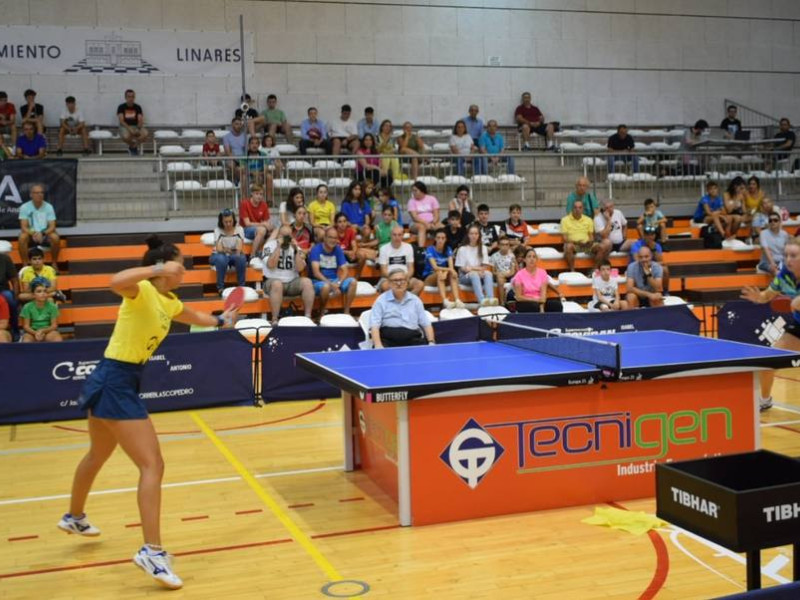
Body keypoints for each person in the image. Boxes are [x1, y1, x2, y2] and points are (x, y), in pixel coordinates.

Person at [60, 235, 238, 590]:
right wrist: (157, 268)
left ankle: (74, 516)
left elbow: (196, 316)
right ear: (165, 267)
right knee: (152, 465)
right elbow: (114, 282)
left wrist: (222, 320)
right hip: (115, 379)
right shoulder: (141, 290)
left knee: (98, 454)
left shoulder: (168, 301)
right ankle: (152, 552)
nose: (184, 271)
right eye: (180, 265)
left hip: (117, 378)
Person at [741, 237, 800, 410]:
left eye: (793, 255)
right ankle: (765, 400)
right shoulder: (784, 276)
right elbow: (767, 296)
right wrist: (758, 297)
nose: (788, 259)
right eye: (786, 255)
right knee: (770, 359)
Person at [262, 225, 315, 325]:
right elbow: (270, 265)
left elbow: (300, 268)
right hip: (272, 281)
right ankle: (274, 319)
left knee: (307, 282)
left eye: (288, 236)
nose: (286, 238)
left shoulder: (295, 247)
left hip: (291, 282)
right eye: (283, 235)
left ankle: (308, 317)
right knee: (277, 284)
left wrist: (295, 251)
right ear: (278, 235)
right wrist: (278, 247)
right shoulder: (269, 246)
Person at [370, 267, 434, 349]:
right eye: (395, 280)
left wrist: (431, 341)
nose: (399, 283)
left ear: (407, 282)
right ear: (389, 283)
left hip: (412, 339)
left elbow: (426, 324)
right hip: (388, 340)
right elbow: (375, 325)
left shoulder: (415, 300)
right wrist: (378, 345)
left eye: (402, 280)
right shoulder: (381, 300)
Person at [309, 227, 357, 316]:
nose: (333, 240)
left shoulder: (338, 249)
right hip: (318, 281)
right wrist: (331, 285)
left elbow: (345, 270)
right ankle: (321, 313)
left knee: (353, 282)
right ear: (325, 238)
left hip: (335, 280)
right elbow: (316, 273)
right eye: (330, 237)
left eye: (335, 238)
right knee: (326, 287)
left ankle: (346, 313)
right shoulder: (316, 249)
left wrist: (338, 283)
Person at [19, 184, 60, 266]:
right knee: (22, 237)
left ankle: (54, 263)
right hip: (31, 234)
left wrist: (42, 233)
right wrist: (34, 233)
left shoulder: (49, 207)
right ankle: (25, 265)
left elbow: (52, 226)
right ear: (31, 195)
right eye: (37, 193)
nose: (40, 194)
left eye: (41, 192)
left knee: (55, 237)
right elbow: (24, 227)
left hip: (45, 234)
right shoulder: (24, 207)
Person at [456, 223, 496, 306]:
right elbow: (463, 268)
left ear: (479, 235)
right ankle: (482, 300)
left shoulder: (483, 248)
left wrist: (473, 268)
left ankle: (490, 299)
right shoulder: (462, 249)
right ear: (468, 235)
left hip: (479, 273)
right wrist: (476, 270)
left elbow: (485, 266)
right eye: (471, 234)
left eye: (476, 234)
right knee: (474, 274)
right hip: (465, 276)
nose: (474, 236)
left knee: (488, 274)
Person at [511, 248, 562, 312]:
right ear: (524, 260)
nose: (532, 259)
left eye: (534, 257)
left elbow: (543, 297)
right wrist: (535, 300)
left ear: (536, 259)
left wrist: (541, 307)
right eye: (529, 256)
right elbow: (518, 297)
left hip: (539, 302)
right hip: (524, 302)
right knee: (534, 306)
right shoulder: (519, 275)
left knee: (557, 305)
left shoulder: (542, 273)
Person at [561, 198, 605, 272]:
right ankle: (572, 271)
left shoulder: (588, 220)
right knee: (568, 247)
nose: (577, 209)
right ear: (572, 209)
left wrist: (590, 242)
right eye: (575, 207)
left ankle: (594, 270)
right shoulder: (565, 220)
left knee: (601, 247)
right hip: (574, 245)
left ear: (583, 209)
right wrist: (576, 242)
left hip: (586, 245)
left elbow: (591, 236)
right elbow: (565, 238)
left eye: (580, 207)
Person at [209, 209, 247, 295]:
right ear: (221, 222)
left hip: (232, 255)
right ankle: (220, 288)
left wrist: (227, 249)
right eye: (226, 222)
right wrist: (230, 250)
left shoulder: (239, 229)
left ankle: (241, 286)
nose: (228, 224)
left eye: (230, 221)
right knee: (222, 259)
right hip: (217, 255)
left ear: (233, 220)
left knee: (241, 258)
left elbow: (239, 249)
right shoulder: (217, 230)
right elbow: (219, 249)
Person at [378, 225, 423, 294]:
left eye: (399, 235)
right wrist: (395, 279)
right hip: (389, 278)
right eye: (394, 235)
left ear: (402, 236)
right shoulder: (383, 248)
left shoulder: (408, 247)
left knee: (420, 284)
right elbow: (383, 271)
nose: (397, 237)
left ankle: (408, 299)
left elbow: (411, 268)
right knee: (384, 286)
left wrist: (404, 278)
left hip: (405, 277)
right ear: (390, 235)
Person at [423, 229, 462, 309]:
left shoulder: (448, 249)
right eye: (438, 238)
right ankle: (445, 301)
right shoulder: (430, 249)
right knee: (440, 273)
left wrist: (447, 272)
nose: (440, 240)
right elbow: (435, 267)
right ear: (435, 239)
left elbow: (451, 267)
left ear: (446, 239)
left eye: (443, 238)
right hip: (429, 276)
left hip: (443, 275)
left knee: (452, 274)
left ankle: (457, 300)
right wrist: (447, 271)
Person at [20, 278, 62, 342]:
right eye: (39, 291)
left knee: (57, 339)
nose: (43, 293)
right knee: (26, 341)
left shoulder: (52, 306)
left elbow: (54, 325)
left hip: (48, 331)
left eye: (45, 291)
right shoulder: (27, 307)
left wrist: (42, 331)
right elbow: (26, 326)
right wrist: (36, 333)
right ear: (33, 294)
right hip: (32, 332)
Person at [238, 185, 273, 256]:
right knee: (262, 230)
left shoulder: (264, 205)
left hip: (258, 229)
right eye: (257, 194)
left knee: (275, 231)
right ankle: (252, 255)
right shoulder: (245, 204)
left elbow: (266, 222)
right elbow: (247, 223)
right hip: (245, 229)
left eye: (261, 194)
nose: (259, 196)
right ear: (252, 193)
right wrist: (263, 224)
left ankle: (261, 252)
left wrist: (269, 226)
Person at [116, 89, 149, 156]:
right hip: (125, 127)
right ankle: (132, 145)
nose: (131, 98)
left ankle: (133, 147)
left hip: (136, 126)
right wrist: (130, 129)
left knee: (145, 134)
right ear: (125, 97)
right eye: (129, 96)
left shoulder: (138, 107)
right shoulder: (121, 107)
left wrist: (138, 129)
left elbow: (140, 120)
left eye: (132, 96)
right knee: (125, 136)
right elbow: (121, 121)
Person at [490, 236, 517, 305]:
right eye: (502, 244)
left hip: (509, 275)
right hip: (498, 276)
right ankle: (502, 302)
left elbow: (512, 271)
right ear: (499, 246)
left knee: (501, 277)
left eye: (507, 244)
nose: (505, 247)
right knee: (500, 278)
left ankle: (505, 302)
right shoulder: (494, 256)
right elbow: (493, 271)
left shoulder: (512, 256)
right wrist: (500, 274)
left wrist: (504, 274)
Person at [0, 252, 19, 340]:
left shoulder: (4, 258)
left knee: (10, 298)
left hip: (2, 289)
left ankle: (14, 330)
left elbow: (14, 279)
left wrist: (16, 295)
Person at [376, 119, 400, 186]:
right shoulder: (377, 137)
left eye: (389, 126)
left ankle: (395, 178)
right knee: (386, 157)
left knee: (395, 158)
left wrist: (391, 150)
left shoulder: (392, 138)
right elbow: (378, 149)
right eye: (386, 125)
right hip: (380, 155)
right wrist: (386, 141)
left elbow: (394, 148)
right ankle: (384, 177)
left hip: (389, 154)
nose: (388, 127)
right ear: (382, 127)